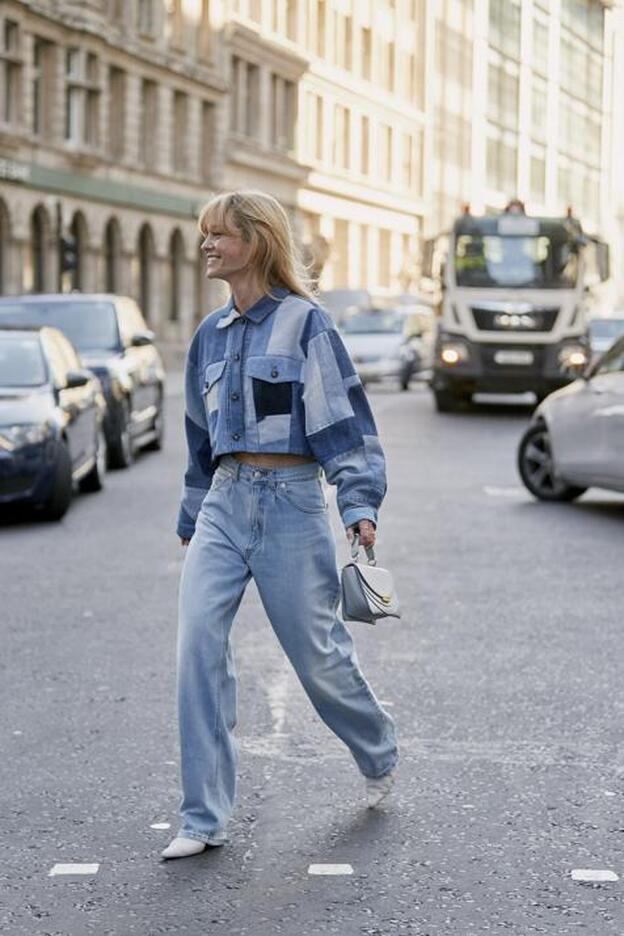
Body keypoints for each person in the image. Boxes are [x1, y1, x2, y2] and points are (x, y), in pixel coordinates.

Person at [161, 190, 398, 860]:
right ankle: (203, 816)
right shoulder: (208, 336)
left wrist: (358, 503)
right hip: (224, 504)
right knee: (197, 649)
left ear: (256, 241)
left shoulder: (306, 325)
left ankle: (377, 747)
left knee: (318, 657)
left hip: (292, 502)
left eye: (219, 234)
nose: (206, 244)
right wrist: (192, 512)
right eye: (204, 233)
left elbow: (343, 422)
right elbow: (198, 437)